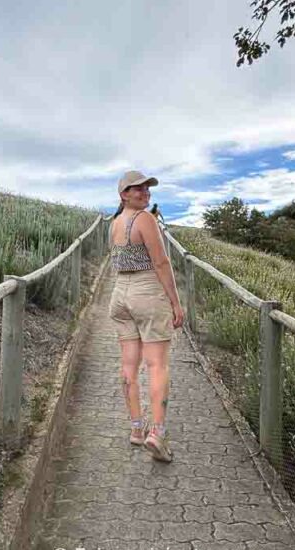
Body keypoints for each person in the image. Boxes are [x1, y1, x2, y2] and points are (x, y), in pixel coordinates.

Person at [108, 170, 184, 462]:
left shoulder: (114, 224)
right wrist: (176, 303)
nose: (144, 193)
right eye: (136, 189)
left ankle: (137, 429)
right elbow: (162, 263)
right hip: (147, 292)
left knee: (129, 364)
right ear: (123, 194)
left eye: (146, 189)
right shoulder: (145, 220)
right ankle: (157, 434)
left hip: (120, 295)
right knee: (157, 365)